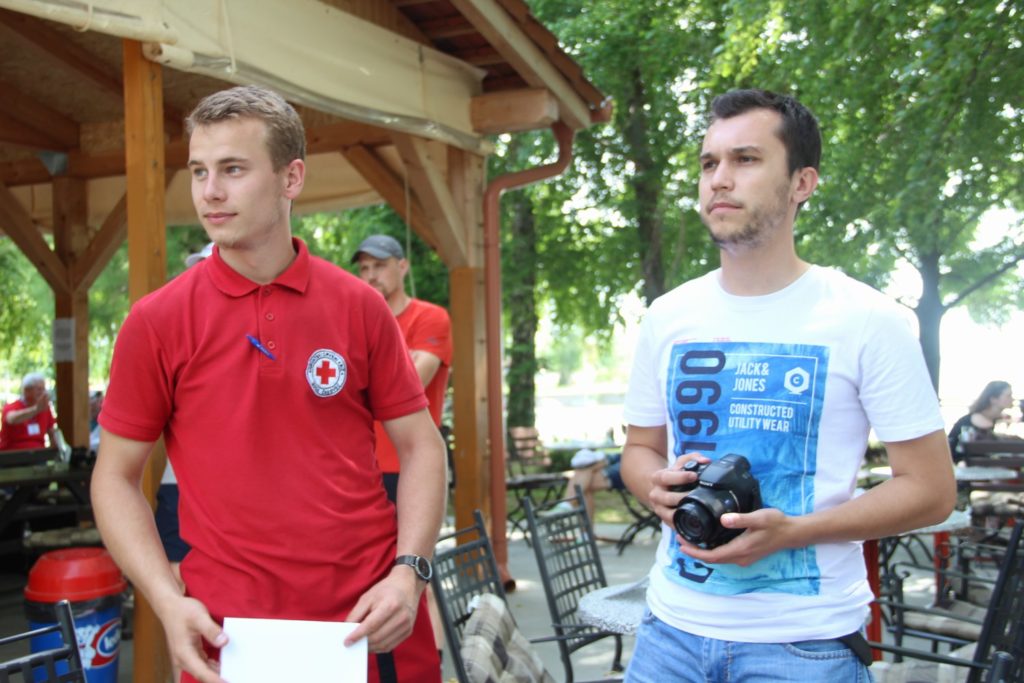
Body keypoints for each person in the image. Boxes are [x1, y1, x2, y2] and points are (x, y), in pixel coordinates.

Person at [91, 85, 447, 683]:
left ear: (291, 178)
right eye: (199, 171)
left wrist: (409, 573)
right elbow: (114, 477)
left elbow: (421, 446)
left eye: (233, 169)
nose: (210, 191)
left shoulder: (359, 306)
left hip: (370, 618)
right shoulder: (156, 321)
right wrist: (166, 600)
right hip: (229, 633)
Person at [620, 88, 956, 682]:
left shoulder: (867, 319)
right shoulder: (667, 317)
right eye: (708, 163)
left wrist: (795, 533)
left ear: (802, 182)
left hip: (805, 645)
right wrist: (657, 488)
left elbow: (931, 490)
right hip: (668, 634)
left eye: (745, 159)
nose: (719, 179)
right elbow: (640, 449)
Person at [352, 234, 452, 502]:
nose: (371, 275)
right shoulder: (355, 324)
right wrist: (399, 364)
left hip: (411, 462)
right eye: (364, 268)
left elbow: (410, 386)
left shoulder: (430, 317)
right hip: (360, 466)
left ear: (403, 266)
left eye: (380, 265)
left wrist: (362, 376)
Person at [947, 380, 1015, 463]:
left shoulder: (992, 418)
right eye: (1008, 395)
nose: (1012, 399)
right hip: (960, 464)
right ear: (993, 399)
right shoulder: (974, 420)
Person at [0, 372, 58, 451]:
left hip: (39, 454)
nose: (43, 392)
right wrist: (36, 409)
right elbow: (12, 419)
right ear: (26, 390)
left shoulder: (45, 409)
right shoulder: (11, 407)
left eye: (43, 389)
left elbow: (52, 433)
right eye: (39, 389)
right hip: (12, 455)